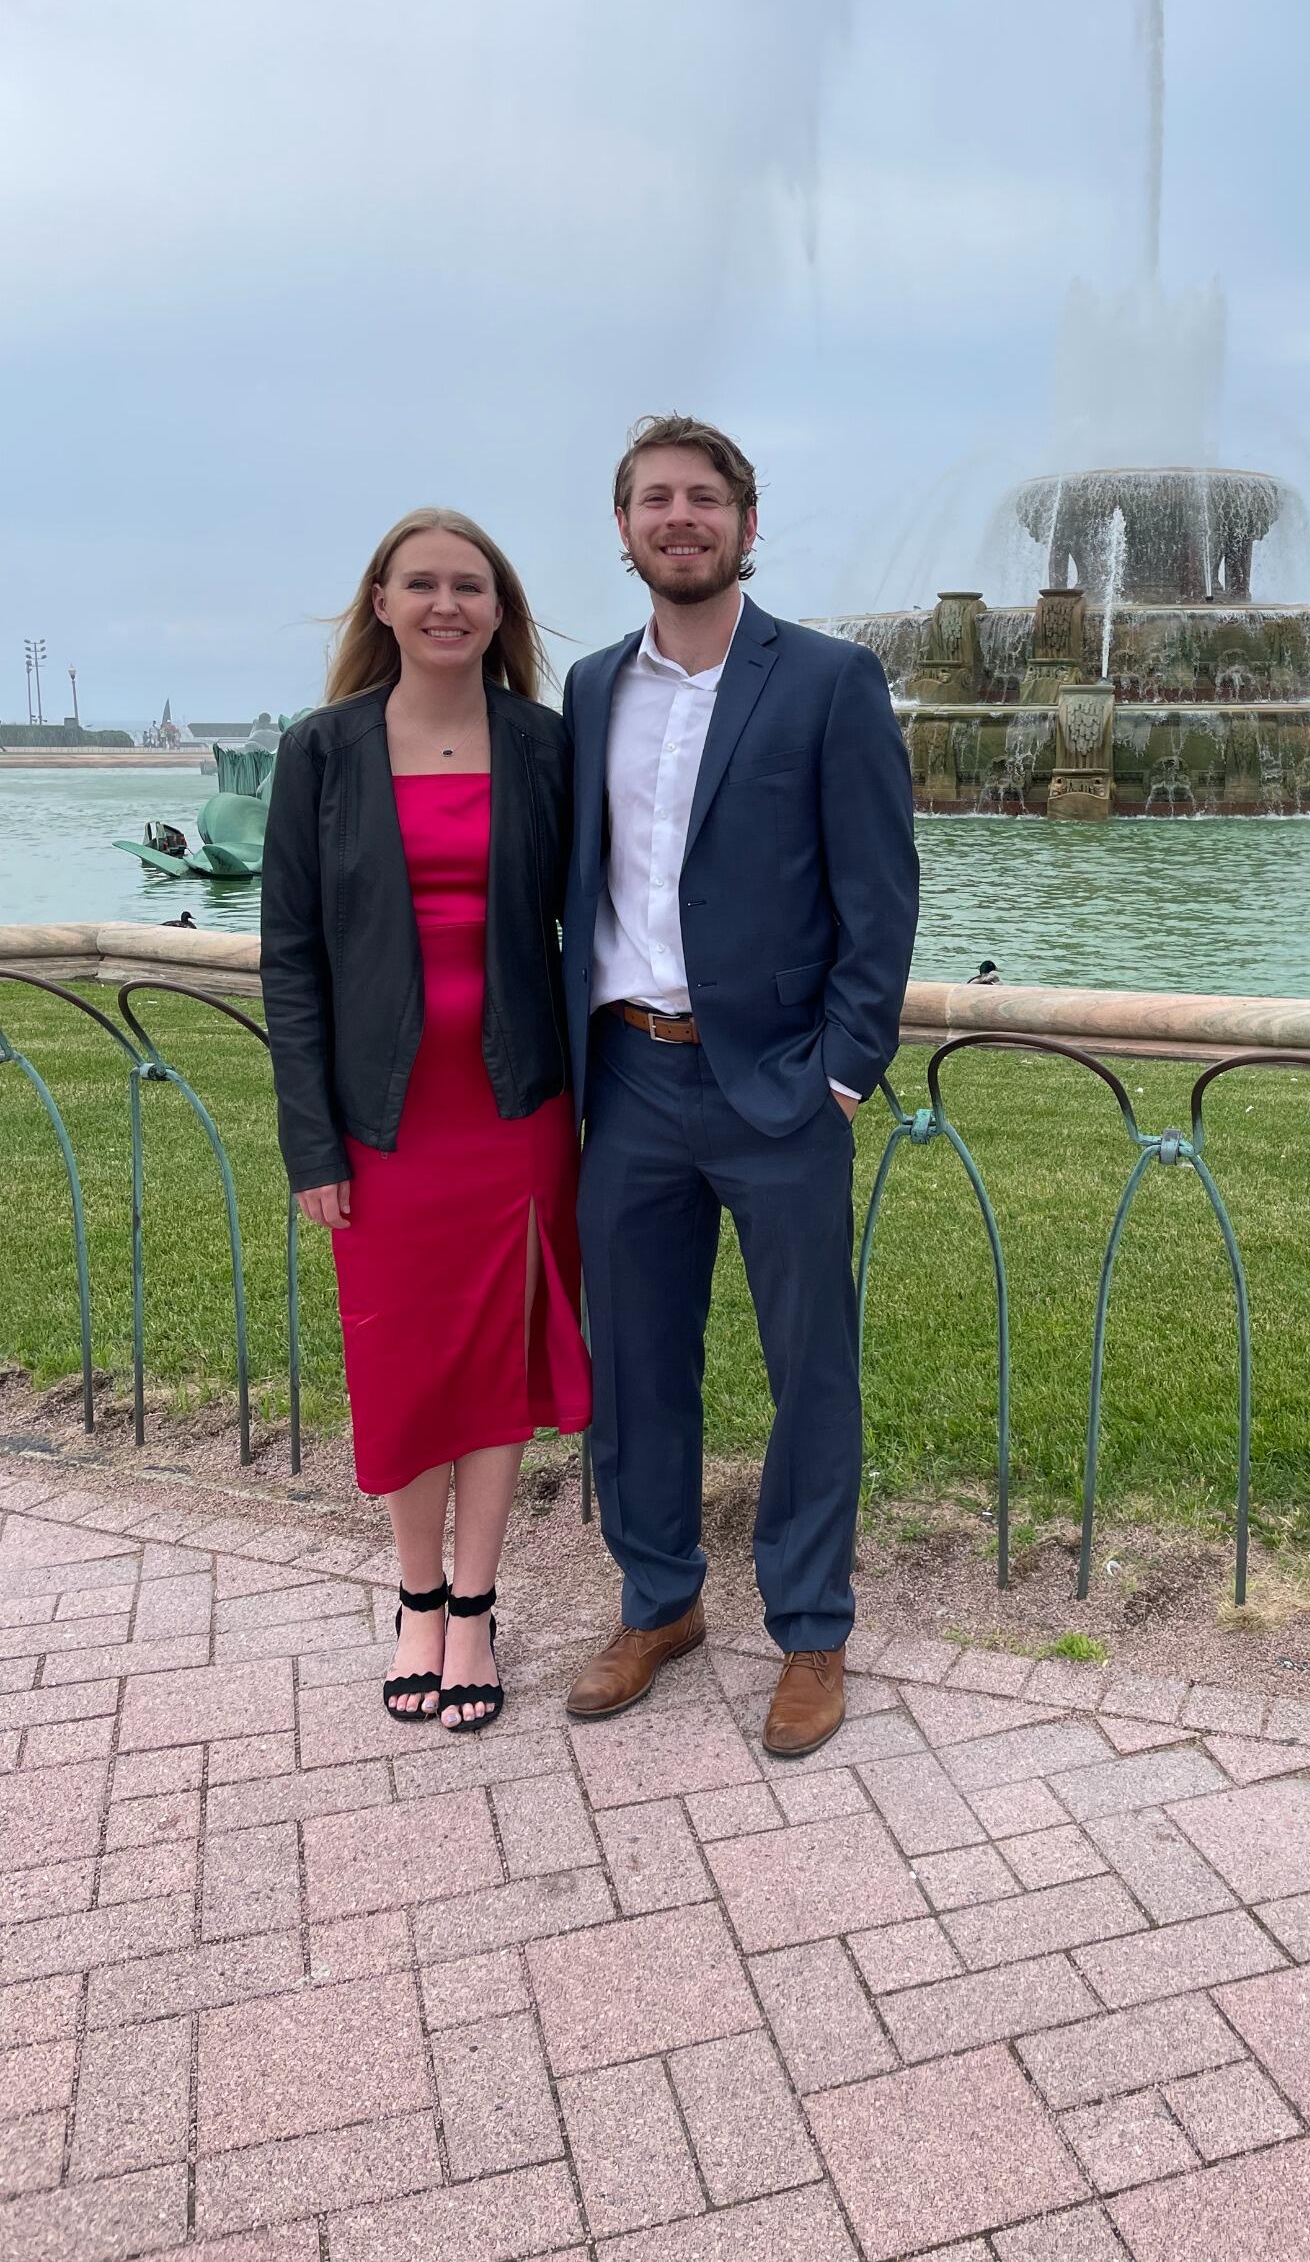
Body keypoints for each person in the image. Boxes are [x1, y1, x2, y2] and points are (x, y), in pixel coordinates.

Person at [563, 415, 918, 1757]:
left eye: (704, 498)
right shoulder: (590, 688)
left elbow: (879, 895)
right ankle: (658, 1602)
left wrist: (842, 1075)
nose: (680, 518)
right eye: (655, 498)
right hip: (628, 1077)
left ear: (746, 523)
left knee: (808, 1369)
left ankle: (812, 1631)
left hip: (780, 1088)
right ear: (623, 528)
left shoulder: (827, 679)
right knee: (635, 1364)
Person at [261, 509, 590, 1732]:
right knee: (403, 1362)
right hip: (381, 1121)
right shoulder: (323, 750)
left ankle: (477, 1608)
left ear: (499, 612)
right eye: (422, 584)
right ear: (384, 604)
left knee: (498, 1361)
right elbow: (290, 959)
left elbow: (597, 916)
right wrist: (312, 1141)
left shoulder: (544, 745)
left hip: (517, 1107)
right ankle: (416, 1598)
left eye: (470, 585)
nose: (447, 604)